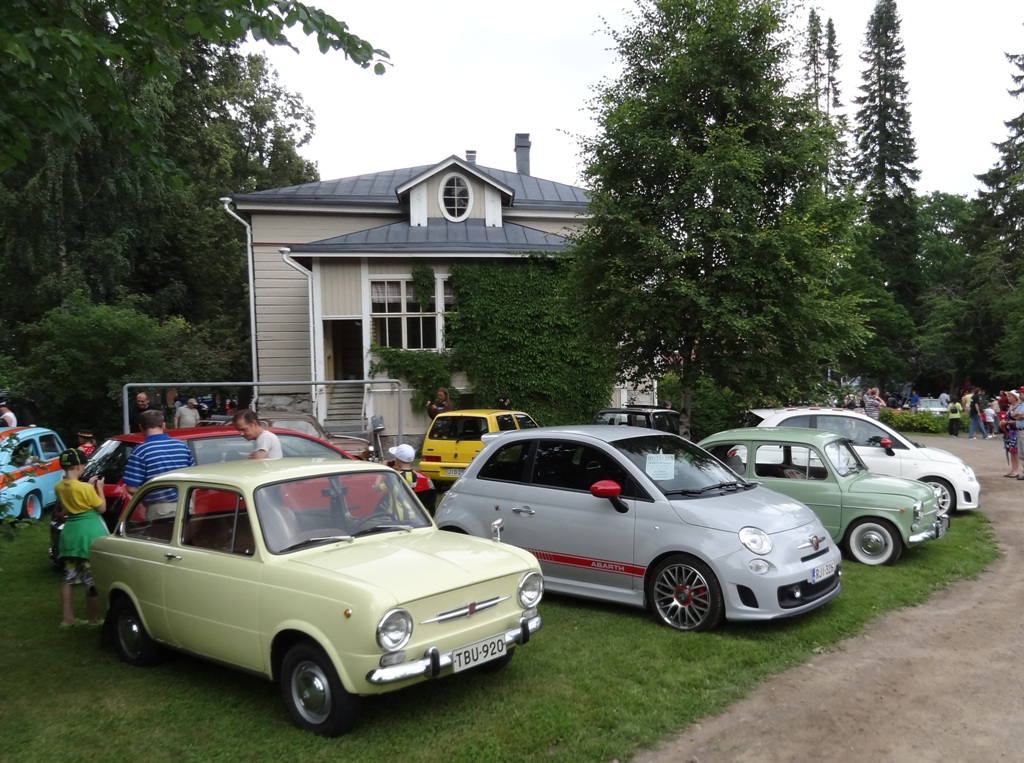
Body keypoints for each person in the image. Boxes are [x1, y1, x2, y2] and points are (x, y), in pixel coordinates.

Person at [54, 448, 107, 628]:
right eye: (84, 465)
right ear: (78, 466)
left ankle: (66, 618)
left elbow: (72, 495)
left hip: (69, 537)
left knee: (68, 578)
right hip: (88, 536)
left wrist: (87, 484)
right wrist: (98, 488)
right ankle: (93, 618)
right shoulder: (86, 488)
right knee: (91, 580)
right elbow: (101, 508)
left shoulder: (59, 486)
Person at [123, 409, 196, 518]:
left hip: (159, 509)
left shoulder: (140, 451)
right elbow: (193, 479)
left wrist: (146, 498)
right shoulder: (182, 446)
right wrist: (192, 504)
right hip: (186, 505)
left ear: (141, 427)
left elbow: (131, 487)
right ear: (163, 425)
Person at [1002, 390, 1022, 477]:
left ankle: (1016, 470)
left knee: (1015, 450)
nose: (1008, 398)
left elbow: (1017, 419)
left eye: (1010, 396)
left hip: (1015, 430)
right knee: (1010, 450)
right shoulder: (1010, 406)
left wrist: (1007, 422)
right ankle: (1013, 469)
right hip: (1009, 431)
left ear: (1015, 397)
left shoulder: (1018, 407)